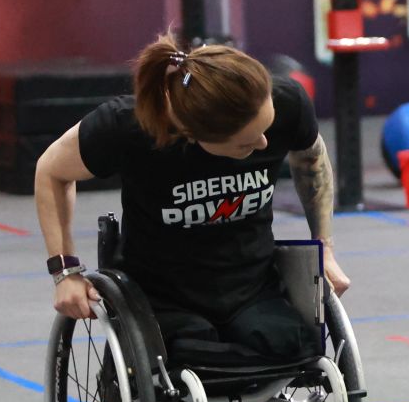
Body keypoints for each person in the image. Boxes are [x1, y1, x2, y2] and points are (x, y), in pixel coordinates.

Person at [34, 35, 350, 364]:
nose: (262, 143)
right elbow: (51, 170)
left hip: (252, 288)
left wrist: (323, 248)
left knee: (294, 346)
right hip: (163, 298)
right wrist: (65, 272)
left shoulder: (286, 101)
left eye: (267, 127)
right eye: (245, 143)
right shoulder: (128, 126)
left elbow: (312, 159)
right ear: (192, 135)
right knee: (190, 354)